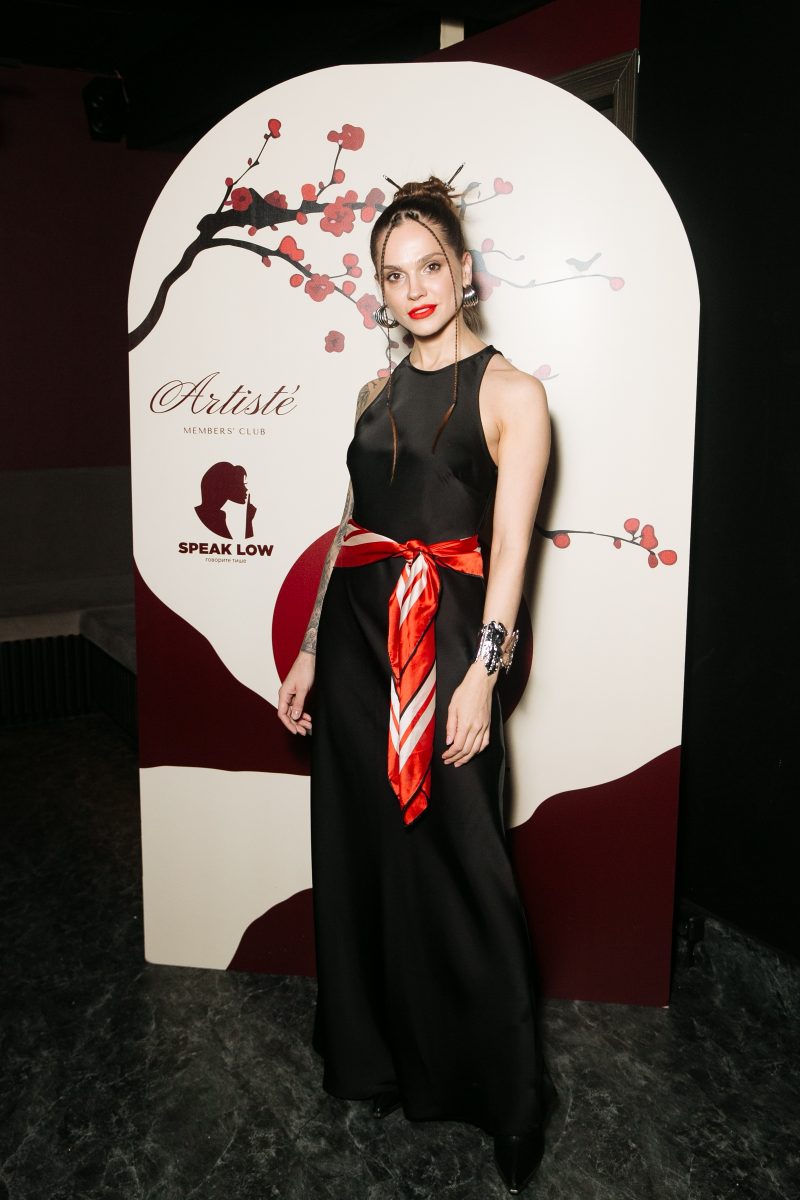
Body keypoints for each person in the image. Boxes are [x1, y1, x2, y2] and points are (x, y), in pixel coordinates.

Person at [277, 174, 553, 1194]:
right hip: (356, 650)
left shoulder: (512, 394)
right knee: (365, 855)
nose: (415, 288)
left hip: (447, 647)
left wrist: (483, 674)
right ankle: (379, 1058)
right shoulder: (371, 395)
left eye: (430, 265)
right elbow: (351, 528)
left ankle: (512, 1098)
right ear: (382, 291)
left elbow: (510, 553)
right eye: (394, 276)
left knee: (466, 863)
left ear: (464, 270)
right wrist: (311, 650)